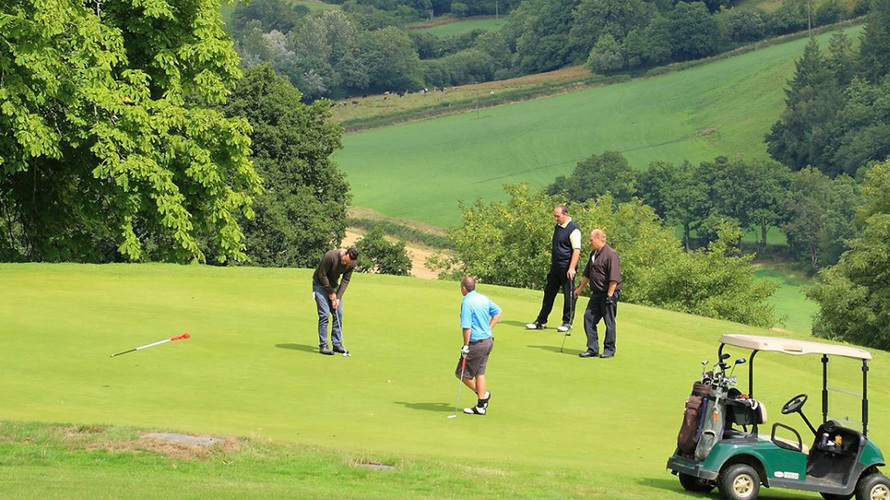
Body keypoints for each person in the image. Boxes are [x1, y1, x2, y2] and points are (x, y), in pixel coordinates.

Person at [525, 205, 582, 332]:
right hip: (555, 266)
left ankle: (567, 322)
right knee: (549, 293)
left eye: (558, 216)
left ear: (565, 214)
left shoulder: (573, 229)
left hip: (567, 267)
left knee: (569, 295)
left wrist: (572, 268)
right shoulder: (558, 227)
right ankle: (541, 320)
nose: (556, 218)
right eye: (554, 216)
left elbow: (576, 250)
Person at [456, 276, 501, 415]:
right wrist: (488, 329)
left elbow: (466, 327)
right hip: (488, 341)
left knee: (461, 374)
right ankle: (481, 406)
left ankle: (483, 395)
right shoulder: (483, 298)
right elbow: (497, 312)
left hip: (476, 344)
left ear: (464, 288)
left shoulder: (467, 302)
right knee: (479, 373)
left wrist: (466, 346)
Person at [573, 229, 621, 359]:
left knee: (609, 322)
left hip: (608, 293)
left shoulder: (611, 255)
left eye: (591, 239)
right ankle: (592, 348)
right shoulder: (593, 254)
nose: (589, 242)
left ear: (599, 239)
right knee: (588, 318)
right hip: (596, 293)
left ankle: (609, 349)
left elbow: (614, 279)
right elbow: (587, 274)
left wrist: (610, 296)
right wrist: (579, 289)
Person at [312, 247, 359, 355]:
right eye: (345, 261)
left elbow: (345, 280)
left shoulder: (352, 263)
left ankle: (337, 344)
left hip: (333, 286)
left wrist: (338, 297)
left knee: (339, 313)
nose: (345, 263)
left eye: (348, 262)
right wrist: (331, 293)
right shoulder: (331, 256)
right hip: (319, 285)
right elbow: (322, 275)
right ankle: (323, 346)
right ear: (345, 253)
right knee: (324, 314)